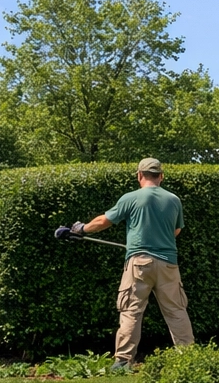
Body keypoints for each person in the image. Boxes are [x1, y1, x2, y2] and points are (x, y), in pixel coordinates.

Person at [67, 158, 192, 371]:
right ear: (161, 176)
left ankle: (123, 361)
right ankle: (190, 358)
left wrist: (81, 229)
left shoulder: (131, 198)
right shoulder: (174, 200)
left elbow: (103, 221)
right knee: (176, 310)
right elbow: (176, 231)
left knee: (131, 310)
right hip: (169, 264)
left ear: (139, 175)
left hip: (139, 263)